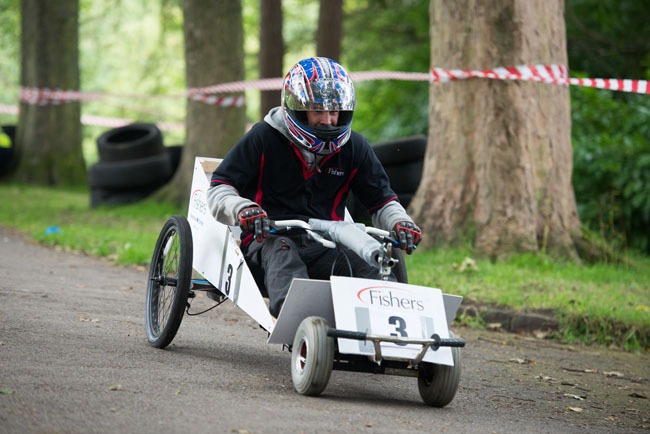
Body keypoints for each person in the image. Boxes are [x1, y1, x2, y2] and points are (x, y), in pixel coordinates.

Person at [207, 57, 422, 318]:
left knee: (371, 267)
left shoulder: (355, 147)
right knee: (283, 250)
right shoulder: (263, 137)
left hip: (326, 245)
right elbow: (219, 187)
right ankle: (298, 319)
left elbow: (382, 202)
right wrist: (244, 209)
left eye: (334, 112)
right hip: (267, 242)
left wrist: (401, 222)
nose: (328, 121)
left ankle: (389, 324)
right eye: (318, 111)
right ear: (298, 109)